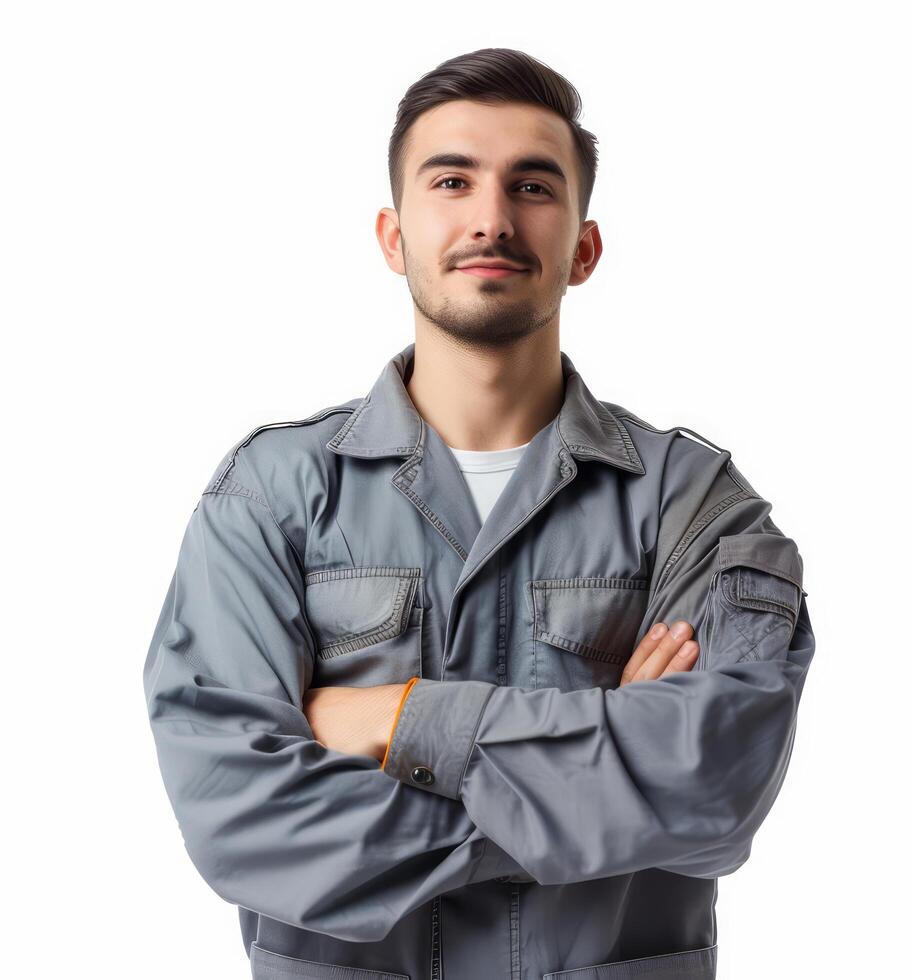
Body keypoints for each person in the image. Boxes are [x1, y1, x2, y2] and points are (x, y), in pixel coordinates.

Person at [142, 46, 816, 980]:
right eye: (452, 180)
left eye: (533, 186)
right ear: (393, 236)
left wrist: (399, 719)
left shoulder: (695, 504)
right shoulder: (269, 496)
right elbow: (238, 815)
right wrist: (594, 782)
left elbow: (716, 787)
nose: (492, 218)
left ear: (584, 247)